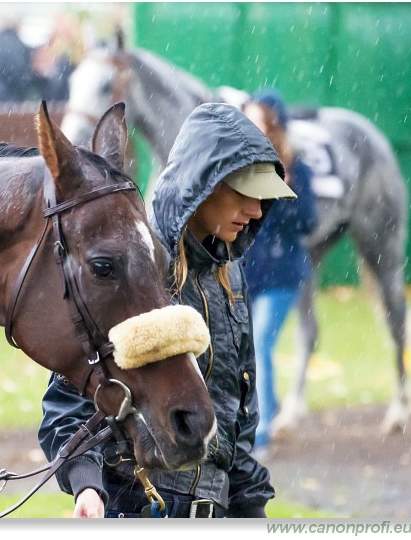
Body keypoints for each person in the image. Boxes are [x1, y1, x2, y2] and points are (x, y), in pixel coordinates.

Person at [39, 102, 294, 518]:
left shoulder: (233, 277)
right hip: (137, 508)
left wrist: (252, 513)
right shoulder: (135, 267)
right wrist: (87, 485)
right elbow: (68, 403)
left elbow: (238, 428)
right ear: (203, 184)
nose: (256, 210)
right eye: (244, 193)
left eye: (262, 197)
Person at [241, 89, 319, 455]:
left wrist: (284, 195)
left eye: (257, 119)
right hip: (247, 272)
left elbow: (309, 222)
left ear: (272, 124)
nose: (250, 125)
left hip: (282, 274)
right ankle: (264, 413)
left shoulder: (294, 166)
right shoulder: (241, 162)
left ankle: (261, 433)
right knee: (244, 348)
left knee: (260, 344)